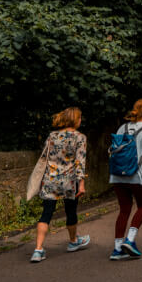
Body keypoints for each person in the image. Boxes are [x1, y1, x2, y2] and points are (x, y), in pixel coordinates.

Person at [31, 107, 89, 262]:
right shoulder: (80, 137)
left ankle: (38, 250)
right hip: (70, 182)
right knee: (71, 211)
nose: (80, 120)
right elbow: (80, 162)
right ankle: (73, 242)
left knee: (46, 213)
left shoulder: (52, 135)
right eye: (79, 118)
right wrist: (81, 183)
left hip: (50, 180)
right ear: (74, 119)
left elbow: (45, 158)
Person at [109, 99, 142, 261]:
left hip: (117, 175)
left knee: (124, 209)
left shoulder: (122, 127)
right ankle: (130, 240)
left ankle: (117, 249)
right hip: (137, 175)